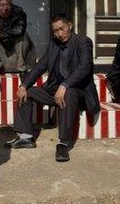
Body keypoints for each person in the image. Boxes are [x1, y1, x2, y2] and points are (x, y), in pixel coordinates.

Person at [6, 14, 100, 162]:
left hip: (79, 92)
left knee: (68, 93)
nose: (59, 34)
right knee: (27, 93)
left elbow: (85, 68)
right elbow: (40, 67)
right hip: (56, 90)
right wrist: (24, 85)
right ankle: (26, 137)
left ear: (70, 25)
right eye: (55, 31)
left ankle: (63, 143)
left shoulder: (83, 42)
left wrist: (65, 85)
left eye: (62, 29)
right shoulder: (54, 44)